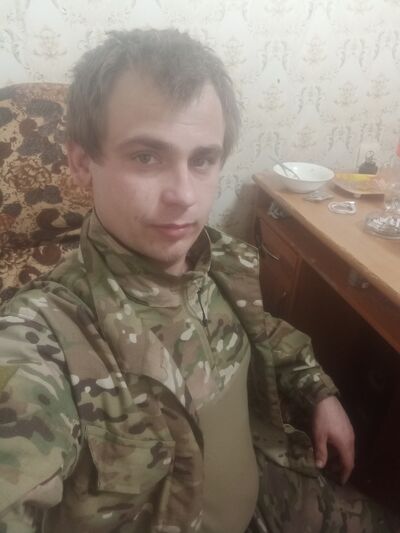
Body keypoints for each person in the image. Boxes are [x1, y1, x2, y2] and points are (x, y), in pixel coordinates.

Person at [0, 28, 397, 533]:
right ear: (82, 163)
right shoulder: (43, 337)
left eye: (203, 159)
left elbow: (263, 333)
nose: (184, 196)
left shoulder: (219, 260)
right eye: (147, 157)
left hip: (277, 493)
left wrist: (318, 391)